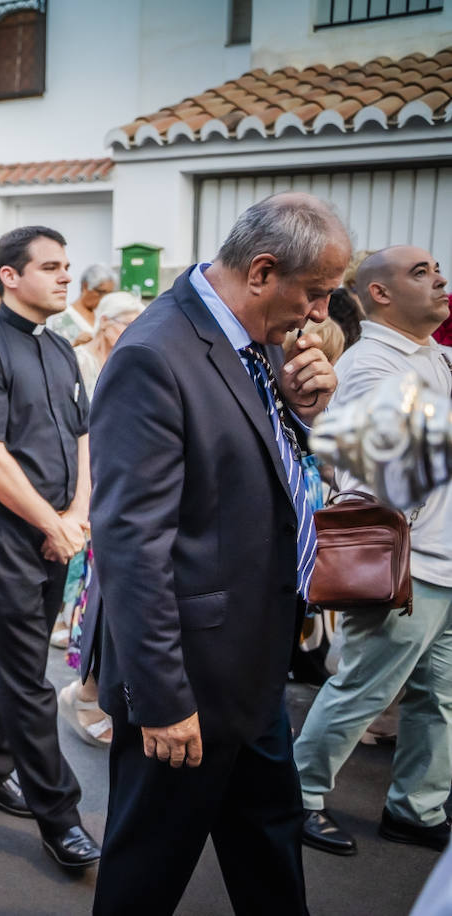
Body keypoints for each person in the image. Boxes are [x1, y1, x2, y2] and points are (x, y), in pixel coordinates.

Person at [89, 193, 346, 915]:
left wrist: (302, 412)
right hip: (188, 685)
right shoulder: (153, 353)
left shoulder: (255, 337)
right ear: (263, 271)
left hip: (257, 667)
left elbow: (251, 479)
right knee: (146, 876)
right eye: (317, 293)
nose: (321, 314)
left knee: (271, 854)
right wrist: (163, 701)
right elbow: (131, 543)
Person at [0, 225, 100, 872]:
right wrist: (51, 522)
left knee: (16, 653)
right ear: (11, 275)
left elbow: (84, 437)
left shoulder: (61, 349)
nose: (67, 277)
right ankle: (59, 815)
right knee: (27, 677)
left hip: (55, 528)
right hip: (0, 533)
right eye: (51, 267)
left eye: (68, 266)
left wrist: (77, 515)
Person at [295, 246, 452, 856]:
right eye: (421, 272)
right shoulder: (372, 366)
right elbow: (361, 472)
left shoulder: (431, 355)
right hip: (407, 564)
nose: (439, 278)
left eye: (437, 269)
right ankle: (298, 793)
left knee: (437, 697)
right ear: (379, 293)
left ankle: (417, 806)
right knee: (365, 689)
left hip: (440, 559)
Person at [56, 291, 143, 749]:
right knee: (97, 589)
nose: (133, 331)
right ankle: (87, 691)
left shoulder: (131, 358)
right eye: (127, 323)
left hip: (112, 482)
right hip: (92, 481)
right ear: (106, 324)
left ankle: (96, 691)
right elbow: (81, 435)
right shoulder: (82, 363)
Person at [47, 264, 115, 347]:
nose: (104, 298)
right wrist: (75, 344)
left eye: (108, 294)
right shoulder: (62, 318)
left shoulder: (104, 314)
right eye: (101, 292)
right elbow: (56, 352)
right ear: (85, 286)